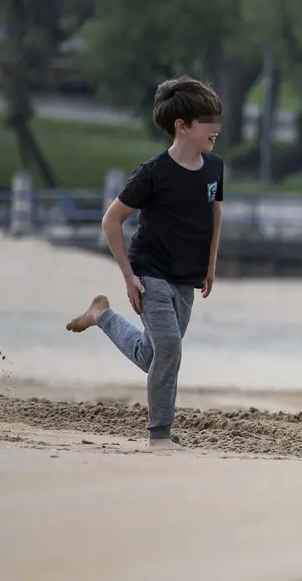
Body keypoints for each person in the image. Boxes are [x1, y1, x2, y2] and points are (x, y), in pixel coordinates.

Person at [65, 76, 225, 451]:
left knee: (151, 355)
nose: (215, 129)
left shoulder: (215, 167)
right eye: (206, 121)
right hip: (150, 273)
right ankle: (160, 436)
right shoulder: (153, 173)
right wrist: (128, 277)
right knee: (169, 350)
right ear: (181, 126)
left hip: (188, 278)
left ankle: (101, 315)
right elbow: (111, 220)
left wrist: (212, 264)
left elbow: (215, 212)